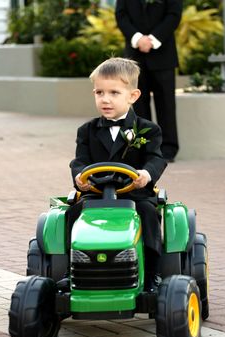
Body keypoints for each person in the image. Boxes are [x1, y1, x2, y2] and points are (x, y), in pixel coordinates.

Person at [69, 57, 167, 292]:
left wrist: (145, 173)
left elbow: (156, 158)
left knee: (147, 213)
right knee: (72, 214)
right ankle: (69, 270)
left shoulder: (147, 130)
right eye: (99, 92)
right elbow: (80, 160)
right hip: (96, 193)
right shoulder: (87, 131)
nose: (105, 99)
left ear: (132, 96)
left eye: (114, 92)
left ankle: (153, 271)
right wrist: (80, 176)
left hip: (134, 194)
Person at [115, 0, 183, 162]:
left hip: (163, 54)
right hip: (134, 55)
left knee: (166, 103)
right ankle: (143, 148)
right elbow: (121, 15)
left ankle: (168, 148)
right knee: (137, 104)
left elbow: (173, 15)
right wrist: (137, 39)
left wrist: (153, 39)